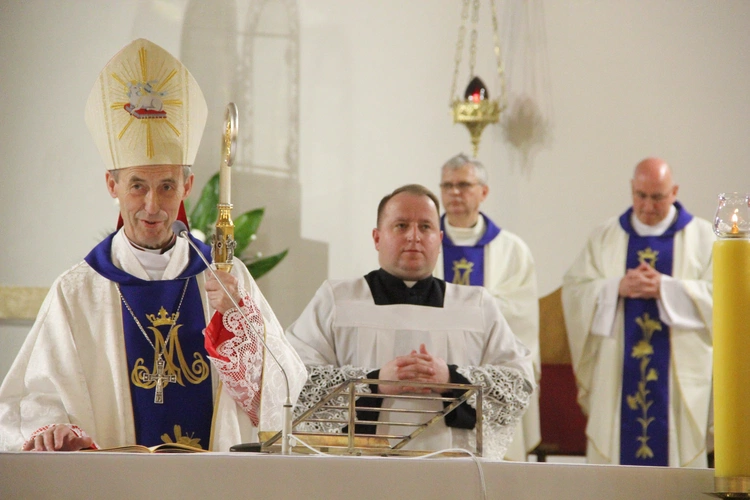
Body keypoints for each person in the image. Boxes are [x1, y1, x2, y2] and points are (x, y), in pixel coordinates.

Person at [0, 39, 306, 452]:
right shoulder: (77, 292)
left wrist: (238, 326)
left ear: (187, 186)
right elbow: (32, 400)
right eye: (137, 186)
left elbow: (281, 399)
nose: (152, 206)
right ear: (112, 185)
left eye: (166, 187)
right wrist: (55, 430)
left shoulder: (224, 279)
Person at [286, 184, 534, 459]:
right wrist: (374, 382)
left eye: (425, 227)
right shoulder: (337, 300)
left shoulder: (477, 305)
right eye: (401, 225)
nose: (414, 237)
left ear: (439, 240)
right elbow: (294, 380)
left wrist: (452, 379)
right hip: (358, 472)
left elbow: (518, 384)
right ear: (377, 238)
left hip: (454, 473)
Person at [562, 158, 713, 467]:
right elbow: (575, 290)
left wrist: (668, 288)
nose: (647, 206)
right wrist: (616, 286)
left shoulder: (703, 237)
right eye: (640, 195)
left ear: (674, 192)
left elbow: (724, 298)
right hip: (617, 371)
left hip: (677, 379)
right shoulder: (605, 236)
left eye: (657, 197)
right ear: (631, 189)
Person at [434, 153, 540, 462]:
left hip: (490, 376)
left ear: (484, 191)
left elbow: (523, 316)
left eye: (464, 185)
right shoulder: (424, 243)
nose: (455, 193)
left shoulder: (512, 249)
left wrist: (472, 309)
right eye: (448, 185)